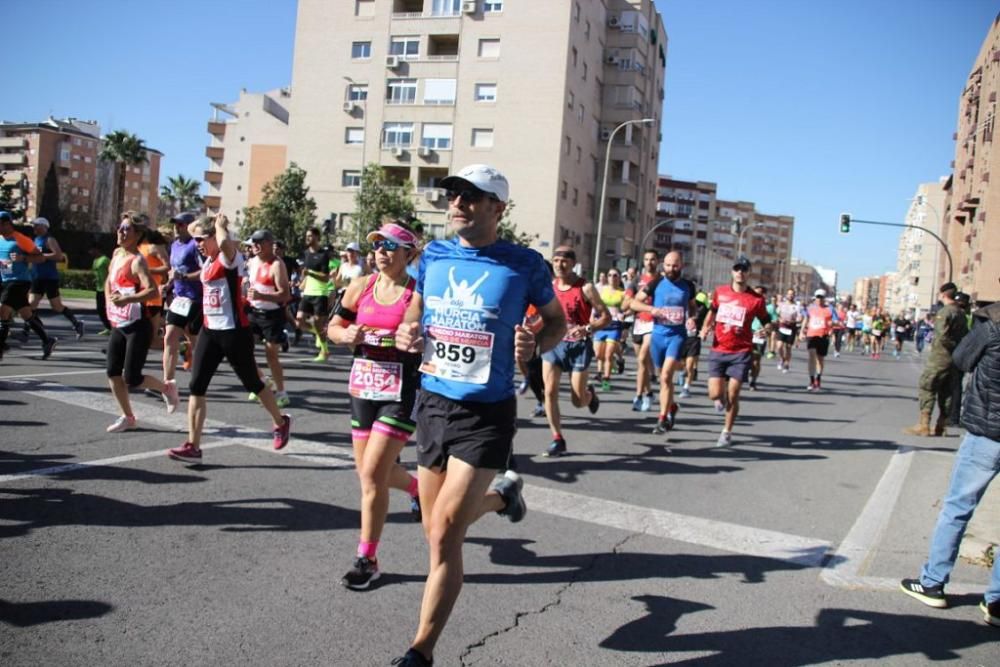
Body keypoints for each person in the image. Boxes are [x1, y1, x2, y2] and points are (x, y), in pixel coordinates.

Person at [392, 164, 566, 666]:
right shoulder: (434, 257)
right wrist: (409, 332)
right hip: (432, 403)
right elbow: (415, 313)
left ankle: (420, 651)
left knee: (445, 533)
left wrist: (535, 344)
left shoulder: (524, 264)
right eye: (454, 194)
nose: (459, 202)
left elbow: (556, 322)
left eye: (472, 196)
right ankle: (502, 498)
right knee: (433, 522)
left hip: (486, 412)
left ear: (498, 208)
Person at [328, 219, 423, 590]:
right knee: (371, 474)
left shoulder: (416, 293)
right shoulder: (359, 286)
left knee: (371, 475)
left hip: (401, 388)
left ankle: (367, 558)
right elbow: (333, 327)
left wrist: (404, 338)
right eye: (376, 246)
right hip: (363, 385)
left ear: (407, 254)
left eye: (389, 247)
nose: (380, 253)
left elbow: (410, 336)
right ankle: (415, 488)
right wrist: (344, 334)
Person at [900, 286, 1000, 628]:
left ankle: (933, 583)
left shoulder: (991, 325)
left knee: (958, 509)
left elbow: (961, 360)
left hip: (987, 433)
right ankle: (997, 601)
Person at [166, 215, 291, 462]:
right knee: (196, 386)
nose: (198, 243)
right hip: (210, 330)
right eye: (196, 240)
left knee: (253, 383)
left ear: (215, 237)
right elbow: (195, 231)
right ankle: (193, 445)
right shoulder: (209, 261)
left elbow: (225, 244)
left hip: (235, 331)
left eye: (202, 239)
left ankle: (280, 421)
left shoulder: (228, 258)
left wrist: (221, 227)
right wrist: (206, 222)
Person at [103, 217, 179, 432]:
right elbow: (109, 280)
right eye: (119, 228)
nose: (121, 232)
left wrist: (127, 300)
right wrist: (110, 303)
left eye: (127, 229)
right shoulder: (117, 254)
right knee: (112, 372)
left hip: (138, 324)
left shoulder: (137, 261)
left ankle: (166, 388)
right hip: (120, 322)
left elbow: (152, 291)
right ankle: (127, 417)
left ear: (137, 235)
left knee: (132, 377)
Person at [541, 245, 609, 456]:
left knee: (578, 401)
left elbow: (606, 317)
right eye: (556, 261)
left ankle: (590, 395)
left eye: (564, 261)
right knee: (549, 392)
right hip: (553, 345)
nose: (560, 265)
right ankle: (557, 438)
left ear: (572, 264)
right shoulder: (548, 287)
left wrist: (588, 328)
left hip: (578, 347)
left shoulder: (585, 288)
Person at [699, 257, 771, 447]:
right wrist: (705, 328)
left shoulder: (756, 300)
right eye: (737, 269)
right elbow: (712, 312)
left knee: (733, 393)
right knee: (714, 394)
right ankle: (719, 399)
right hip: (719, 348)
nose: (740, 272)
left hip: (741, 351)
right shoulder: (720, 293)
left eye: (744, 270)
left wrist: (767, 329)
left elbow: (767, 321)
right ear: (732, 272)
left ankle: (726, 432)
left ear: (748, 273)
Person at [628, 251, 696, 434]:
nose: (671, 269)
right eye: (667, 265)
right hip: (658, 336)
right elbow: (633, 304)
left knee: (666, 376)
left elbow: (693, 308)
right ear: (662, 265)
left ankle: (662, 418)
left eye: (675, 265)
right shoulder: (656, 283)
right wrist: (652, 309)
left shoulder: (688, 285)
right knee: (661, 377)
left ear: (681, 265)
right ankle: (671, 407)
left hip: (677, 336)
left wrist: (693, 318)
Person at [903, 283, 969, 437]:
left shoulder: (944, 312)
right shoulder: (960, 313)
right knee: (946, 391)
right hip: (954, 359)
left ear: (943, 294)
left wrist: (951, 347)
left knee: (927, 386)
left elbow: (941, 336)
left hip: (940, 357)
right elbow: (965, 335)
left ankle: (924, 424)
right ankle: (941, 425)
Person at [0, 211, 57, 361]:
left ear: (7, 224)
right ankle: (47, 340)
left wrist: (23, 257)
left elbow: (40, 258)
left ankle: (1, 347)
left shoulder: (21, 240)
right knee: (26, 314)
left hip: (19, 281)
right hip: (4, 281)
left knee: (3, 310)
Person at [245, 230, 291, 408]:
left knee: (271, 356)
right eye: (253, 243)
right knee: (244, 351)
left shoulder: (277, 265)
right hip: (253, 312)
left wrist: (261, 296)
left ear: (269, 243)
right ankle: (263, 381)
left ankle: (282, 392)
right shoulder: (253, 261)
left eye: (259, 242)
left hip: (272, 315)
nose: (254, 246)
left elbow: (285, 295)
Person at [26, 217, 85, 339]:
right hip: (37, 277)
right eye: (33, 225)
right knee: (30, 305)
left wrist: (43, 256)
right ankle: (26, 331)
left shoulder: (49, 239)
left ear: (44, 226)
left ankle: (77, 323)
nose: (34, 228)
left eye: (36, 225)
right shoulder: (35, 240)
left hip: (49, 278)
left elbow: (59, 256)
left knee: (56, 306)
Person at [162, 213, 203, 385]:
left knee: (196, 341)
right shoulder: (174, 245)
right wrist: (168, 284)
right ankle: (168, 383)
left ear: (188, 226)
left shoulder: (196, 245)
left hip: (196, 299)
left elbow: (205, 271)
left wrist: (185, 277)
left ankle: (200, 373)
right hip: (179, 299)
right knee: (170, 337)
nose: (176, 228)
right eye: (174, 224)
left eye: (179, 224)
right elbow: (174, 270)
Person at [624, 249, 659, 411]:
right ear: (643, 262)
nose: (649, 262)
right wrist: (631, 303)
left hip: (654, 323)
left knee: (643, 358)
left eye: (652, 259)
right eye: (646, 259)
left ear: (657, 261)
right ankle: (649, 393)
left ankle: (638, 396)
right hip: (638, 324)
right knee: (642, 364)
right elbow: (626, 303)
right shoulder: (637, 280)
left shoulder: (661, 280)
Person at [296, 228, 337, 362]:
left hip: (320, 293)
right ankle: (319, 335)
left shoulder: (323, 255)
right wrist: (302, 281)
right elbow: (305, 273)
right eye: (306, 236)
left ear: (317, 237)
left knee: (318, 323)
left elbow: (326, 278)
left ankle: (324, 351)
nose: (307, 238)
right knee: (299, 320)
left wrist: (311, 273)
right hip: (307, 292)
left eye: (310, 236)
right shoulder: (306, 253)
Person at [135, 218, 170, 351]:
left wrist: (147, 271)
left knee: (151, 340)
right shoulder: (137, 248)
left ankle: (180, 346)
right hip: (136, 295)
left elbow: (167, 267)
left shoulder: (154, 247)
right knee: (135, 333)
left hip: (152, 297)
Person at [592, 268, 626, 391]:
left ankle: (606, 380)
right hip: (601, 324)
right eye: (610, 275)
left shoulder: (623, 293)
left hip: (614, 326)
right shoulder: (601, 290)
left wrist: (623, 314)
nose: (612, 277)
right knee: (598, 354)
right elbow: (595, 305)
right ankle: (620, 360)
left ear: (619, 278)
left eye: (615, 275)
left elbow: (629, 307)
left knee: (608, 355)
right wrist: (592, 318)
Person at [800, 289, 836, 391]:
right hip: (811, 335)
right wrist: (801, 332)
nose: (819, 299)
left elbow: (836, 322)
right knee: (811, 355)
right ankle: (811, 380)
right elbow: (805, 320)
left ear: (824, 298)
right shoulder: (810, 308)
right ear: (815, 297)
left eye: (821, 297)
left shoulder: (830, 309)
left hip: (823, 336)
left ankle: (818, 378)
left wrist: (832, 328)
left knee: (820, 359)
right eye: (817, 297)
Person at [679, 291, 710, 398]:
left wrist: (704, 330)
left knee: (690, 365)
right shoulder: (681, 305)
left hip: (694, 339)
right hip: (681, 338)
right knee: (683, 364)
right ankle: (683, 371)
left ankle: (686, 388)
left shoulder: (704, 309)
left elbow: (708, 321)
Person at [748, 286, 769, 391]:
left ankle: (753, 381)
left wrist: (766, 329)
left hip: (759, 335)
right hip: (746, 333)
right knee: (745, 357)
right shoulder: (747, 303)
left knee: (756, 360)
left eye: (759, 293)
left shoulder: (767, 307)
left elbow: (771, 322)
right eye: (754, 293)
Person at [775, 288, 800, 373]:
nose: (790, 295)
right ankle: (782, 359)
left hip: (791, 328)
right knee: (779, 346)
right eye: (789, 294)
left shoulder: (796, 306)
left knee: (788, 347)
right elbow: (776, 315)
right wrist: (780, 319)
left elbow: (799, 318)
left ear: (794, 295)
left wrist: (793, 321)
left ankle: (786, 364)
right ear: (786, 295)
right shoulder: (781, 304)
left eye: (792, 294)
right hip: (782, 327)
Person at [90, 244, 112, 335]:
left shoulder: (105, 260)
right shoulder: (95, 260)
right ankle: (108, 327)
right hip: (99, 288)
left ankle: (112, 328)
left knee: (108, 309)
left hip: (106, 288)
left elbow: (111, 270)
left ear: (97, 249)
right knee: (100, 309)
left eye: (92, 250)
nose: (90, 252)